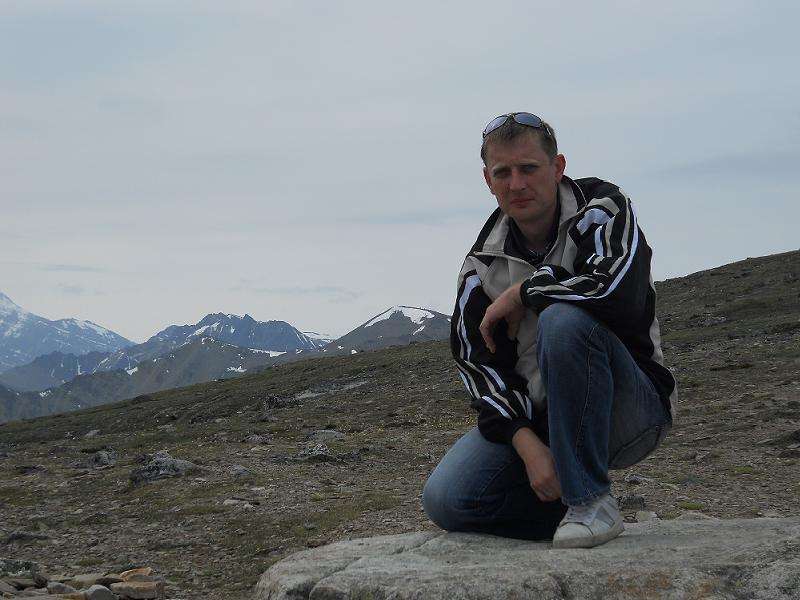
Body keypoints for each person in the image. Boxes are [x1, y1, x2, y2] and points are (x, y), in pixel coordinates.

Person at [422, 112, 677, 549]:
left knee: (563, 320)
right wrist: (528, 447)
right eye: (503, 173)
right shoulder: (481, 267)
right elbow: (481, 369)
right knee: (448, 499)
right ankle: (568, 511)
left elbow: (615, 291)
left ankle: (589, 501)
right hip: (542, 421)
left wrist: (525, 292)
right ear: (487, 180)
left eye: (529, 168)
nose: (517, 184)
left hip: (630, 409)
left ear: (557, 167)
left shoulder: (603, 209)